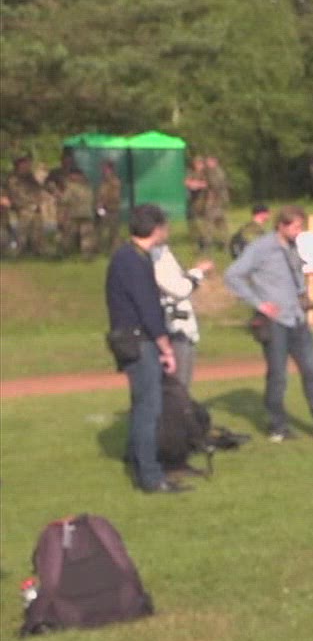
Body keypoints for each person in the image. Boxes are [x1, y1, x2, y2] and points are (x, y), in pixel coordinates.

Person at [224, 207, 313, 442]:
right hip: (275, 321)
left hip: (297, 318)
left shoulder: (294, 247)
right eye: (295, 227)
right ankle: (277, 427)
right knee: (278, 376)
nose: (299, 231)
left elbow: (296, 275)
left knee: (312, 372)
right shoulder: (261, 247)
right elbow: (233, 275)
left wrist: (303, 296)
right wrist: (259, 303)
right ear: (281, 225)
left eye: (301, 226)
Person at [106, 204, 185, 494]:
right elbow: (148, 309)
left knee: (143, 405)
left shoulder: (129, 256)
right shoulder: (132, 260)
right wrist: (166, 347)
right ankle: (151, 476)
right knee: (148, 409)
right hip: (138, 341)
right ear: (155, 229)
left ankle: (140, 461)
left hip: (134, 339)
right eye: (164, 226)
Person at [151, 238, 213, 390]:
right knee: (177, 386)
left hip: (184, 326)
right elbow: (179, 289)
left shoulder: (164, 252)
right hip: (174, 327)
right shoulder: (155, 255)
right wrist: (198, 272)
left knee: (183, 384)